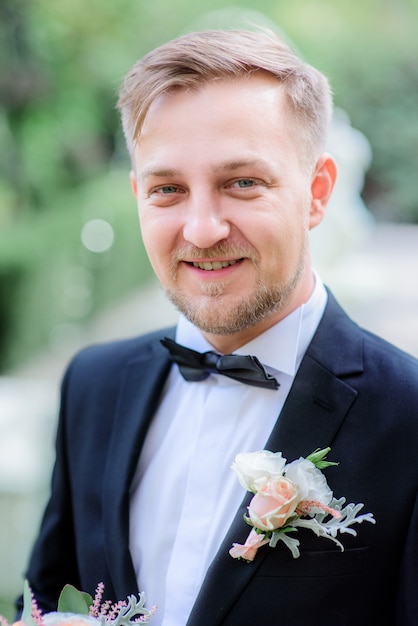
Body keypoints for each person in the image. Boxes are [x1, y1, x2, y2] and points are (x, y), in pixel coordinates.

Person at [17, 28, 418, 626]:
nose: (201, 229)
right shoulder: (91, 385)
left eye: (242, 183)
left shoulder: (407, 415)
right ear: (137, 197)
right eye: (167, 189)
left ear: (316, 192)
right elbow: (48, 597)